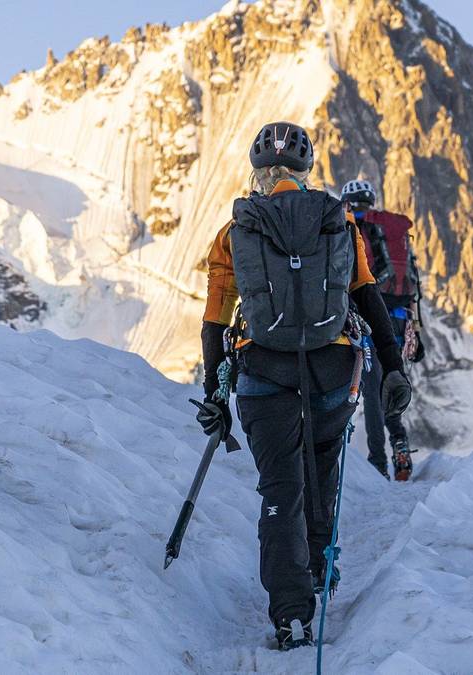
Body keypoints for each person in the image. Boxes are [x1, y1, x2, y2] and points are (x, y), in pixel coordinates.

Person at [194, 122, 412, 651]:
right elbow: (367, 297)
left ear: (259, 174)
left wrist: (214, 391)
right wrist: (394, 367)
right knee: (320, 472)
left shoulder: (234, 231)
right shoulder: (338, 222)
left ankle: (291, 613)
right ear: (304, 173)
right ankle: (320, 570)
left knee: (280, 489)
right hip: (334, 369)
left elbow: (216, 318)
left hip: (264, 373)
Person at [340, 179, 427, 481]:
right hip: (401, 318)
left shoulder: (352, 227)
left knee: (374, 389)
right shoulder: (395, 232)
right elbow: (414, 285)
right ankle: (399, 443)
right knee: (390, 382)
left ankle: (377, 462)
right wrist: (417, 329)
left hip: (369, 315)